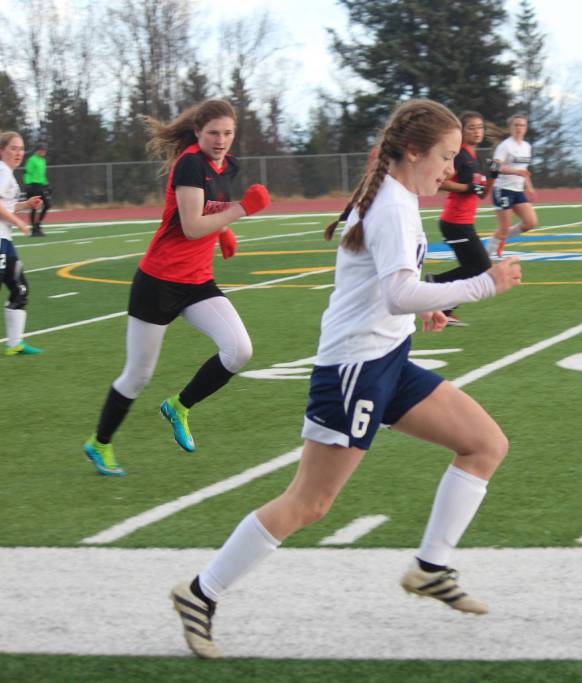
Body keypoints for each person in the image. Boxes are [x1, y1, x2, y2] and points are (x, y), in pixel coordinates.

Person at [169, 98, 522, 659]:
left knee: (484, 445)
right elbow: (397, 291)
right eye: (445, 157)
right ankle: (200, 592)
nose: (451, 171)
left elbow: (393, 285)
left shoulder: (396, 195)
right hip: (355, 369)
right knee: (309, 503)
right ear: (413, 151)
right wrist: (483, 284)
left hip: (386, 359)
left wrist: (418, 308)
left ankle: (430, 568)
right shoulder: (393, 205)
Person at [82, 99, 271, 477]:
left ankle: (179, 406)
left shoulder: (226, 165)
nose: (221, 140)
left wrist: (225, 230)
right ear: (198, 132)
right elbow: (190, 226)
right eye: (214, 133)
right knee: (138, 375)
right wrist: (242, 211)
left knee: (239, 350)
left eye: (228, 133)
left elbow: (209, 209)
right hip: (158, 282)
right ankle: (100, 443)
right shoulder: (189, 163)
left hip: (197, 280)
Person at [431, 110, 494, 326]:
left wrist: (493, 177)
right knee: (480, 267)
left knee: (474, 267)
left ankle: (445, 309)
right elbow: (439, 181)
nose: (477, 132)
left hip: (464, 222)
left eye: (480, 128)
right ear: (462, 130)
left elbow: (482, 193)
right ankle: (435, 283)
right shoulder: (459, 155)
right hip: (455, 223)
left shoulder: (474, 158)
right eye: (472, 128)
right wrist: (467, 186)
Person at [0, 132, 45, 356]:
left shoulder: (7, 174)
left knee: (19, 287)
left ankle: (14, 343)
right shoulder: (1, 171)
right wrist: (19, 222)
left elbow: (5, 207)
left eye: (21, 149)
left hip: (5, 242)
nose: (18, 153)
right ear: (1, 150)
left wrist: (25, 204)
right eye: (13, 148)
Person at [486, 113, 537, 258]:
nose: (519, 128)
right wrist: (516, 172)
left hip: (517, 190)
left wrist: (529, 187)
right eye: (516, 125)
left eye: (522, 125)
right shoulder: (505, 146)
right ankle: (484, 258)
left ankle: (502, 239)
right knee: (503, 228)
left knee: (530, 223)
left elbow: (524, 171)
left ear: (526, 128)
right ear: (510, 127)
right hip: (503, 190)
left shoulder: (527, 146)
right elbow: (494, 167)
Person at [23, 143, 50, 236]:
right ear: (37, 150)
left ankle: (37, 225)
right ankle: (34, 230)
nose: (43, 152)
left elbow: (42, 175)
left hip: (40, 186)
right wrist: (27, 184)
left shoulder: (43, 161)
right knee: (34, 207)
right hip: (32, 185)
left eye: (44, 150)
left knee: (47, 205)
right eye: (42, 150)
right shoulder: (32, 160)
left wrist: (47, 185)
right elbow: (27, 173)